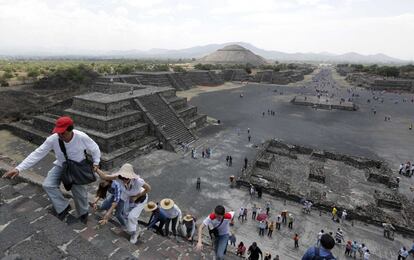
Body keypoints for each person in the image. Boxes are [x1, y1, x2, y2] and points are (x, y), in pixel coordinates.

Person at [3, 116, 101, 224]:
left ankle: (83, 213)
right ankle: (63, 206)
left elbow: (94, 148)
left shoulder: (81, 137)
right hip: (61, 165)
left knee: (79, 193)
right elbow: (38, 153)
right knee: (48, 184)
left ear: (70, 129)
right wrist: (18, 168)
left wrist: (96, 162)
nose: (60, 135)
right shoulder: (53, 139)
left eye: (63, 133)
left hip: (78, 167)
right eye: (58, 132)